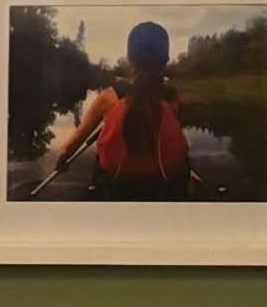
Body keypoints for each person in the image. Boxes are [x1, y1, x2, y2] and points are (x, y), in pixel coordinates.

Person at [36, 20, 195, 199]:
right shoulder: (175, 99)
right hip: (166, 188)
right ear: (165, 59)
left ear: (130, 59)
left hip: (116, 188)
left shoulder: (109, 98)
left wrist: (62, 160)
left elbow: (65, 151)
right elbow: (177, 142)